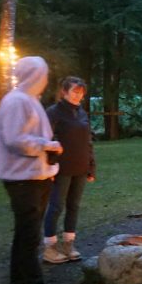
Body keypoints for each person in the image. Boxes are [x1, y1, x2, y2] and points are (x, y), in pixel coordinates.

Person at [0, 56, 62, 284]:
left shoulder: (30, 99)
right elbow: (15, 140)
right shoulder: (16, 101)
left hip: (36, 177)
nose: (45, 80)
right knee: (30, 237)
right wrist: (48, 146)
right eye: (43, 75)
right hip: (23, 179)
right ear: (33, 75)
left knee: (24, 235)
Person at [41, 76, 96, 264]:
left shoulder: (82, 113)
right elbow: (45, 140)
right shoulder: (54, 113)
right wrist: (49, 164)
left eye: (81, 92)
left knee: (74, 206)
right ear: (64, 92)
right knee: (56, 206)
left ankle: (68, 244)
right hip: (60, 168)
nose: (77, 95)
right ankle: (49, 247)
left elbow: (87, 141)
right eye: (74, 91)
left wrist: (91, 166)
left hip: (80, 167)